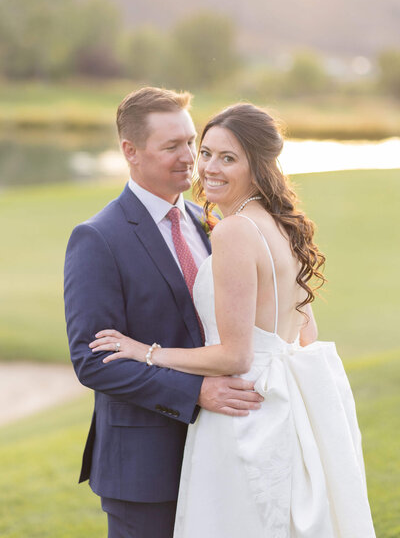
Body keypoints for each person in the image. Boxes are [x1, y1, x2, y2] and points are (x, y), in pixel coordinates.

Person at [91, 103, 376, 537]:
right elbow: (304, 333)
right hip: (280, 405)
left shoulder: (232, 231)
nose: (206, 167)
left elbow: (236, 355)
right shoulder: (282, 225)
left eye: (228, 158)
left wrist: (144, 352)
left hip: (242, 412)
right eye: (204, 152)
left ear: (258, 166)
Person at [64, 89, 263, 538]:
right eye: (172, 146)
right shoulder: (97, 238)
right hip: (145, 468)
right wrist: (196, 392)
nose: (191, 158)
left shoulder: (210, 221)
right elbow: (93, 360)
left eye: (191, 142)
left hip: (221, 450)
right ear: (130, 152)